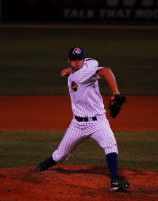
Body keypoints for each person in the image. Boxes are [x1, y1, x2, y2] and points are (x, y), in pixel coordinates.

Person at [35, 46, 129, 192]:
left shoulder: (87, 70)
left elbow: (106, 71)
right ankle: (43, 165)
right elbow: (83, 67)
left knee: (110, 145)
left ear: (84, 60)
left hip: (98, 122)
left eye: (79, 60)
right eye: (73, 60)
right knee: (61, 154)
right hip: (77, 124)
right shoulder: (87, 64)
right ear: (68, 60)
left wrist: (116, 93)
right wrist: (71, 70)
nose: (77, 63)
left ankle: (115, 179)